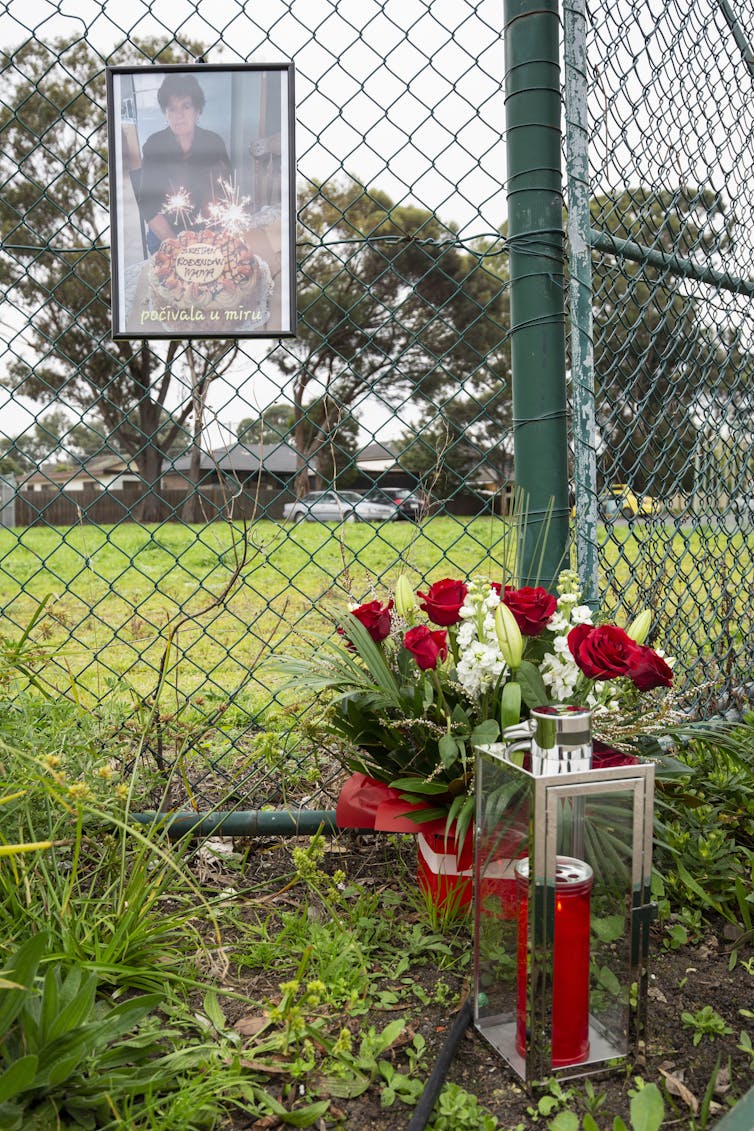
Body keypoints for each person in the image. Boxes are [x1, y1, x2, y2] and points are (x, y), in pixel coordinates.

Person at [138, 73, 230, 251]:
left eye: (186, 106)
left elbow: (227, 193)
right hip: (166, 232)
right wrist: (179, 246)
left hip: (207, 229)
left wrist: (213, 236)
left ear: (198, 110)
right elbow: (148, 205)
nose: (178, 115)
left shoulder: (214, 143)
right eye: (172, 108)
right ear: (165, 113)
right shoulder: (153, 146)